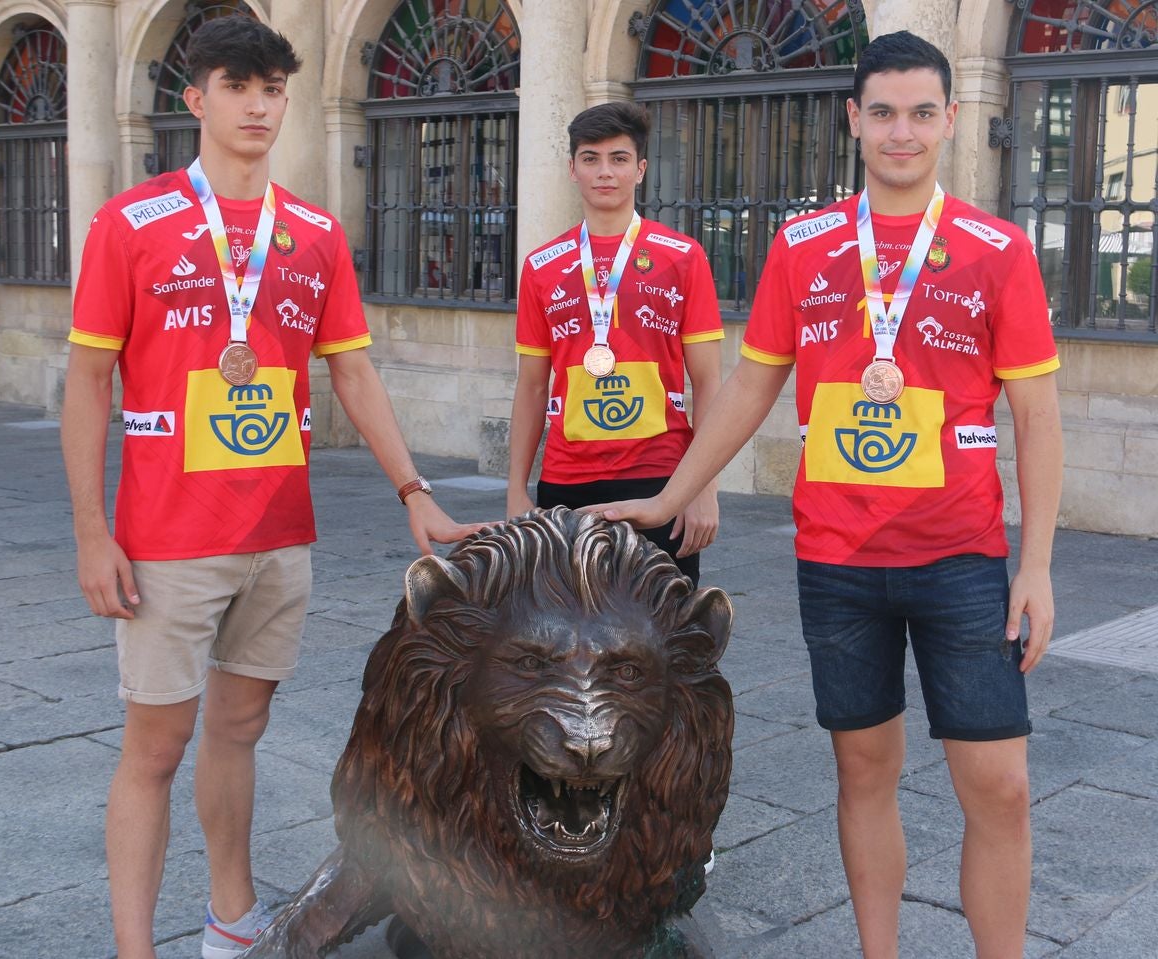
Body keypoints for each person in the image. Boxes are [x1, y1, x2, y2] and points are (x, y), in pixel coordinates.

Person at [591, 31, 1063, 958]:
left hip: (963, 560)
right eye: (882, 112)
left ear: (950, 120)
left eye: (921, 112)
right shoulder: (804, 246)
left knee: (1000, 786)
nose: (901, 131)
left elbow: (1039, 421)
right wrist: (668, 496)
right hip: (839, 562)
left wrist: (1037, 565)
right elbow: (748, 390)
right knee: (863, 773)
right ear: (853, 119)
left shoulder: (995, 249)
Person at [60, 17, 482, 959]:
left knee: (240, 727)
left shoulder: (316, 233)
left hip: (277, 533)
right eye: (238, 85)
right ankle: (135, 947)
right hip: (166, 539)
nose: (258, 104)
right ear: (195, 99)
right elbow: (88, 382)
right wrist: (93, 532)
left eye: (273, 88)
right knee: (155, 748)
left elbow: (354, 374)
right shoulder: (130, 223)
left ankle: (230, 916)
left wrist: (412, 486)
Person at [506, 101, 724, 586]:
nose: (605, 172)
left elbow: (708, 382)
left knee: (664, 637)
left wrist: (703, 487)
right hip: (566, 481)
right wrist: (517, 489)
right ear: (572, 169)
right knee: (565, 642)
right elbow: (531, 387)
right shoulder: (542, 266)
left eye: (619, 159)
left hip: (661, 476)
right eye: (591, 158)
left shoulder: (683, 257)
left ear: (640, 169)